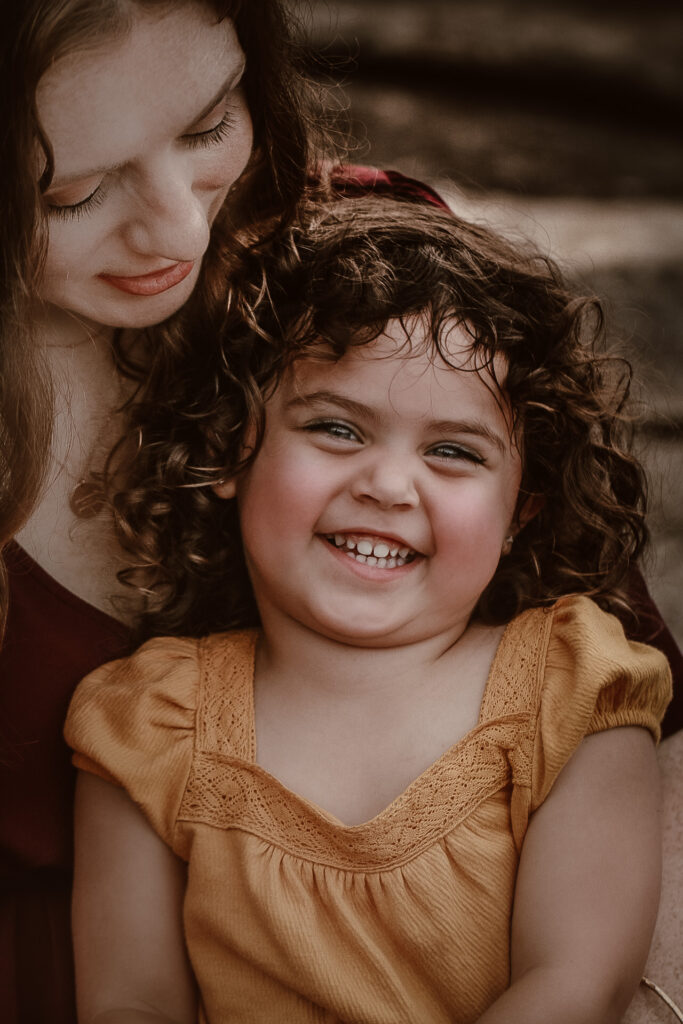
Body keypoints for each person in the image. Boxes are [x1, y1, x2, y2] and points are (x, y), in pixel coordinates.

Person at [66, 197, 672, 1023]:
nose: (387, 486)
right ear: (229, 447)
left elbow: (576, 987)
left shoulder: (569, 692)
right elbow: (128, 1006)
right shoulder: (148, 727)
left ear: (521, 506)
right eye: (336, 429)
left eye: (452, 451)